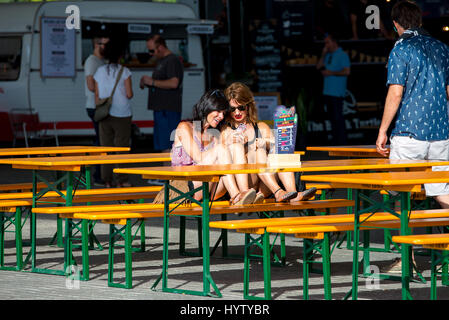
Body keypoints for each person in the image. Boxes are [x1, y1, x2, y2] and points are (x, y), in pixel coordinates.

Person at [375, 0, 449, 273]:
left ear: (396, 23)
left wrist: (383, 130)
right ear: (419, 20)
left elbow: (396, 92)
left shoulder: (401, 48)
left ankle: (407, 259)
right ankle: (445, 257)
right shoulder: (443, 48)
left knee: (400, 196)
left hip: (409, 133)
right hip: (441, 133)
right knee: (443, 194)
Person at [222, 82, 317, 203]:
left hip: (265, 185)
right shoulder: (226, 129)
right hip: (245, 183)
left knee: (279, 152)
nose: (237, 112)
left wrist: (266, 142)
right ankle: (278, 192)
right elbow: (224, 157)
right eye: (232, 109)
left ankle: (292, 193)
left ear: (249, 106)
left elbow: (276, 147)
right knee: (259, 153)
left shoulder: (261, 127)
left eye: (241, 108)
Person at [169, 89, 256, 204]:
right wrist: (223, 145)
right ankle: (236, 195)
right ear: (208, 107)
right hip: (185, 186)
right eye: (218, 111)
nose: (221, 116)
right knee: (222, 148)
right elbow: (198, 158)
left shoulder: (214, 135)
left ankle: (244, 193)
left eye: (223, 113)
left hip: (210, 185)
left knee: (236, 146)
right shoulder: (184, 127)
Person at [94, 39, 133, 188]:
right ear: (119, 55)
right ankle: (122, 180)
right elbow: (129, 94)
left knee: (106, 148)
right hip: (122, 113)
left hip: (104, 114)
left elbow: (96, 96)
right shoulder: (125, 71)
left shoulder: (99, 72)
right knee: (121, 147)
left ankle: (107, 180)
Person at [140, 35, 184, 154]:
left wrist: (152, 82)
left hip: (168, 110)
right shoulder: (162, 61)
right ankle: (166, 171)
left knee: (169, 146)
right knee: (164, 147)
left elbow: (174, 83)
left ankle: (169, 171)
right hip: (162, 110)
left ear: (160, 47)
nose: (150, 54)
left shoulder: (172, 60)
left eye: (152, 50)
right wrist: (148, 82)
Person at [316, 33, 351, 146]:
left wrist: (331, 73)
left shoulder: (342, 55)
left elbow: (347, 71)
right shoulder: (328, 55)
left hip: (337, 92)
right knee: (332, 119)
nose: (326, 45)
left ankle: (342, 143)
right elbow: (318, 67)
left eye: (328, 42)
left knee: (338, 119)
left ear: (334, 42)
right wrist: (323, 54)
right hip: (327, 92)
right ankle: (335, 142)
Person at [84, 35, 109, 185]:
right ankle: (98, 176)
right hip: (96, 107)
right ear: (97, 44)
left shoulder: (100, 61)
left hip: (98, 106)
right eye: (105, 44)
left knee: (101, 141)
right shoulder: (92, 61)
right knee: (101, 142)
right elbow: (91, 86)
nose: (107, 48)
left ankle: (99, 174)